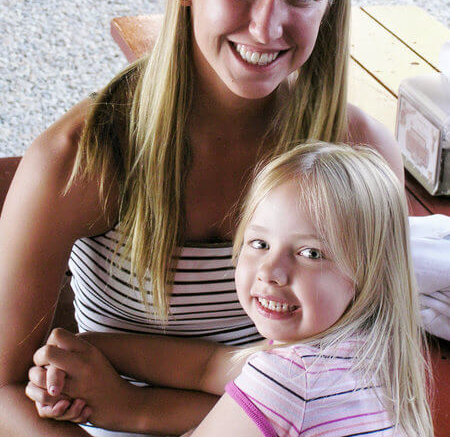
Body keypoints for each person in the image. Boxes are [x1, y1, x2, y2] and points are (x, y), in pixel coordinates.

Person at [0, 0, 404, 437]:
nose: (268, 27)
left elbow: (362, 385)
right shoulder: (80, 157)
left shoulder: (360, 156)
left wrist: (141, 407)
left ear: (330, 3)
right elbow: (6, 381)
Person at [26, 143, 433, 436]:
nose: (272, 270)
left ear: (371, 271)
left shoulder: (294, 380)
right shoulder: (371, 352)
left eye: (311, 252)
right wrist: (87, 349)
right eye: (259, 243)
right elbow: (211, 366)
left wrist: (118, 405)